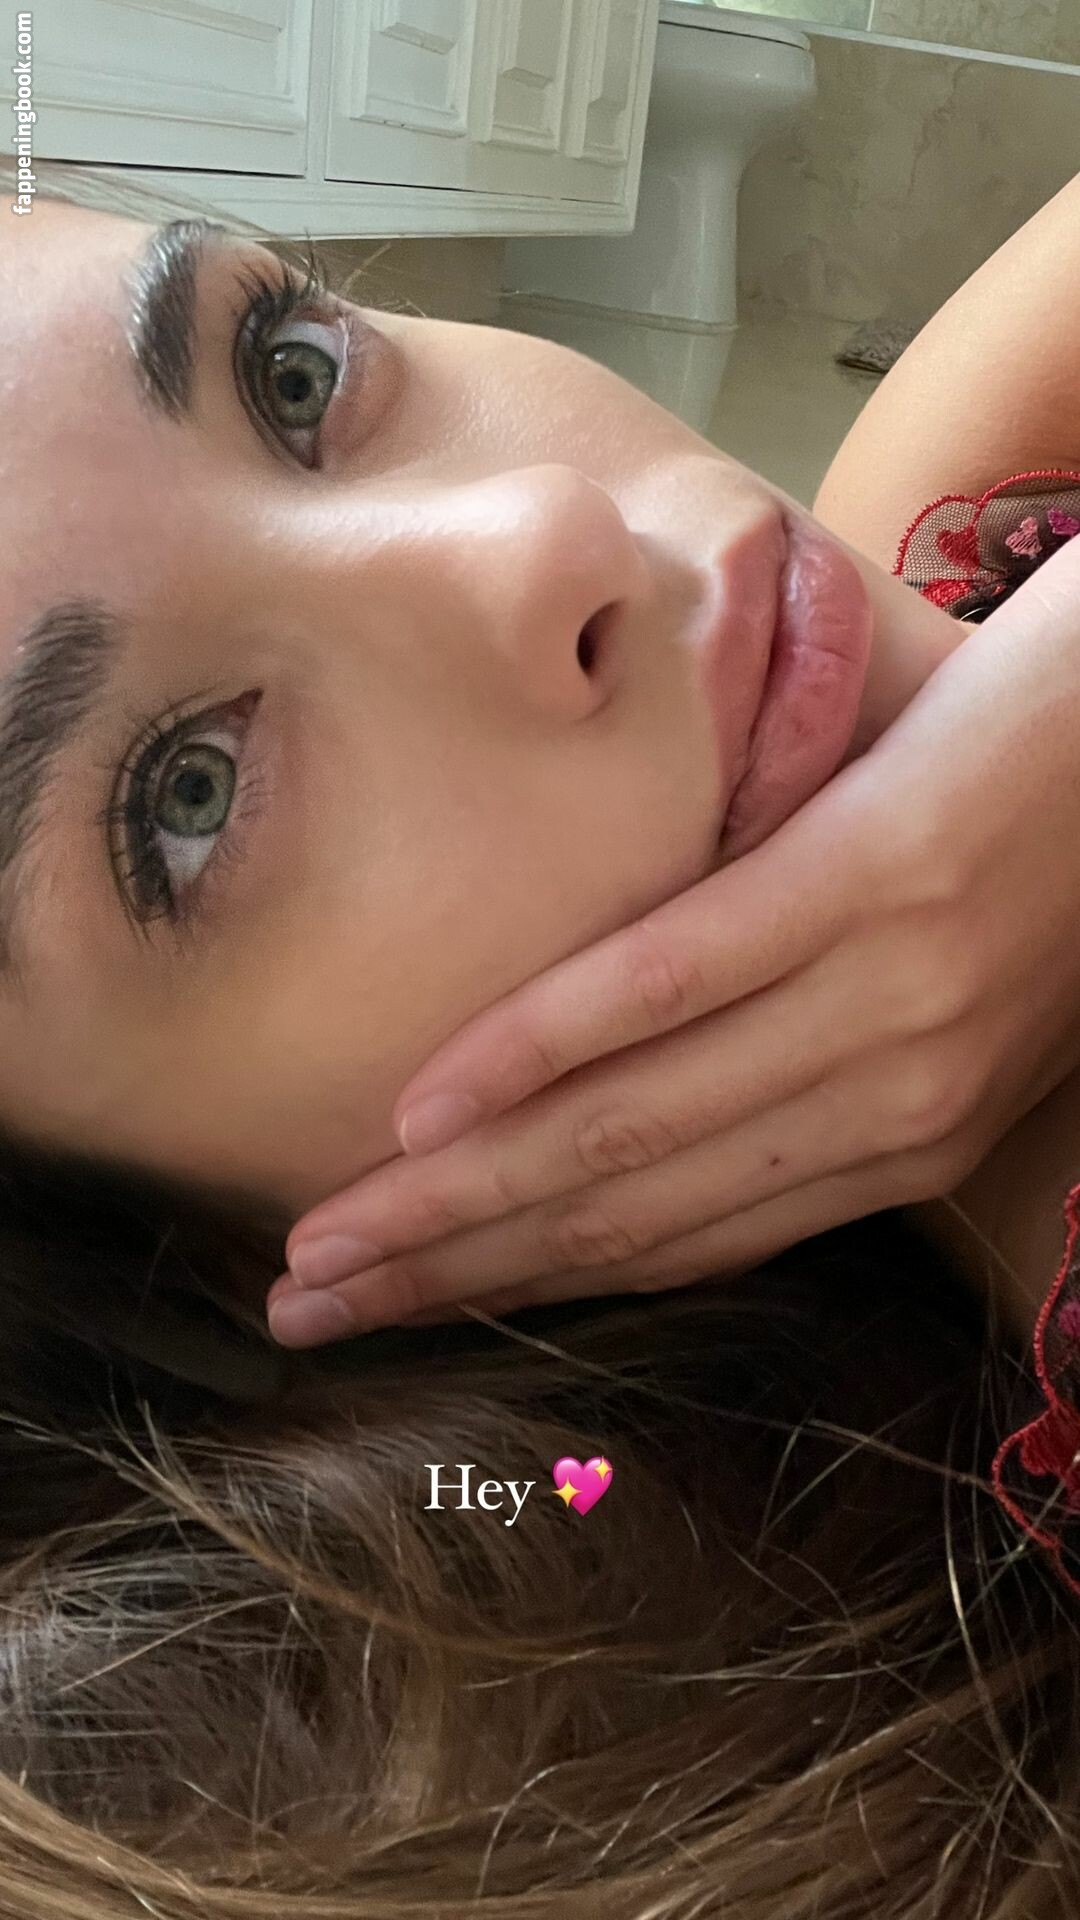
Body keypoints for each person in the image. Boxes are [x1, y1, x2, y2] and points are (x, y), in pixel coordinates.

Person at [1, 157, 1080, 1916]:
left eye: (291, 372)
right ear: (206, 1279)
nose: (541, 532)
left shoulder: (955, 488)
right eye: (187, 793)